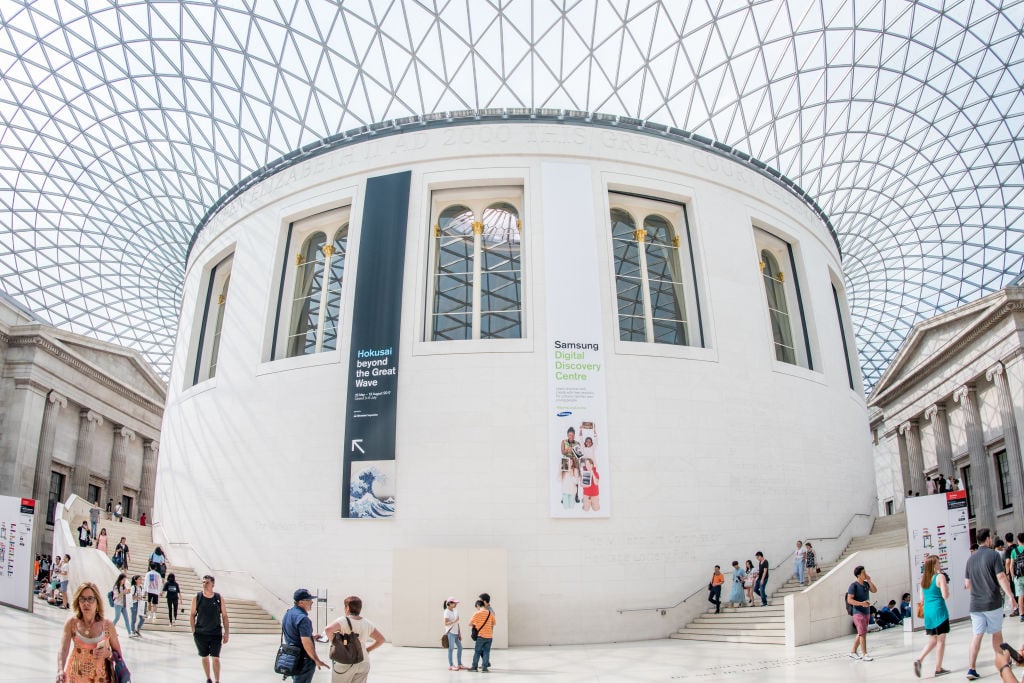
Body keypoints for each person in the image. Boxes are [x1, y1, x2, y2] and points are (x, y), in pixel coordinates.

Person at [965, 527, 1018, 680]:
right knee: (996, 633)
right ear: (988, 539)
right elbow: (1001, 577)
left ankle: (971, 669)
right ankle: (1002, 664)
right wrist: (1011, 597)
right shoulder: (993, 555)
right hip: (992, 602)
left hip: (975, 605)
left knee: (977, 636)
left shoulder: (970, 559)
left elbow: (967, 585)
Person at [56, 581, 122, 683]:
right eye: (82, 599)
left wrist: (107, 654)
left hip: (101, 679)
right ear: (78, 602)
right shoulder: (71, 623)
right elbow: (63, 649)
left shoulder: (108, 626)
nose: (86, 603)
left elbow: (118, 656)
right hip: (75, 678)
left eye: (90, 599)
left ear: (97, 602)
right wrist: (60, 670)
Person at [323, 595, 385, 683]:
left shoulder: (343, 621)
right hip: (363, 661)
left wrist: (334, 642)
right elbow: (381, 639)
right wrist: (367, 650)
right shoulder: (367, 623)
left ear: (347, 608)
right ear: (360, 608)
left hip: (345, 661)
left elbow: (328, 629)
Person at [914, 555, 950, 677]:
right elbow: (945, 595)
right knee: (941, 640)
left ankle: (919, 659)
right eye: (938, 563)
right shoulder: (940, 577)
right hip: (939, 611)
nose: (940, 564)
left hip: (928, 613)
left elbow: (921, 599)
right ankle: (938, 668)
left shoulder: (924, 580)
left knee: (933, 639)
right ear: (934, 565)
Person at [191, 574, 230, 683]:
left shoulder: (218, 598)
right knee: (204, 656)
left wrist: (226, 632)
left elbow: (225, 616)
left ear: (213, 584)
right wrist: (194, 630)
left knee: (215, 657)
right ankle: (208, 678)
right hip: (201, 633)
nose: (204, 584)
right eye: (203, 582)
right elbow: (192, 614)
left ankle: (217, 680)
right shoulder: (197, 597)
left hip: (215, 633)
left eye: (207, 582)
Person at [282, 588, 327, 683]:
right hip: (303, 660)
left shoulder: (288, 613)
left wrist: (312, 637)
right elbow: (306, 643)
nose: (312, 602)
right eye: (309, 600)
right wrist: (316, 659)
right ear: (301, 602)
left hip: (291, 657)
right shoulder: (303, 619)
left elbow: (294, 635)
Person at [846, 564, 878, 661]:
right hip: (858, 612)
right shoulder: (853, 586)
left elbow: (874, 590)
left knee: (861, 633)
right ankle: (865, 654)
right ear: (859, 575)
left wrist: (869, 580)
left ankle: (853, 652)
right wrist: (861, 603)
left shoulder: (866, 584)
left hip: (866, 612)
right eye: (863, 572)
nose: (865, 574)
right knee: (863, 633)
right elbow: (849, 600)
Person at [468, 595, 494, 673]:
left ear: (478, 605)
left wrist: (477, 623)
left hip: (481, 636)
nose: (477, 609)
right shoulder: (490, 613)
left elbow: (470, 623)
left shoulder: (477, 613)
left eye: (477, 607)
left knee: (477, 651)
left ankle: (474, 667)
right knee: (486, 652)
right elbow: (494, 623)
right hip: (489, 636)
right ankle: (484, 668)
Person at [443, 597, 464, 671]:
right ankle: (451, 665)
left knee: (460, 648)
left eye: (456, 603)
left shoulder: (455, 611)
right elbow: (446, 623)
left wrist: (459, 633)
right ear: (449, 603)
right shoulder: (446, 611)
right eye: (454, 603)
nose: (456, 604)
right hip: (450, 633)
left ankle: (459, 664)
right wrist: (455, 621)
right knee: (451, 649)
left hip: (456, 633)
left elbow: (458, 623)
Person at [1013, 533, 1024, 622]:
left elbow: (1011, 565)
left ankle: (1022, 615)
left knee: (1020, 596)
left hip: (1018, 576)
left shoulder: (1014, 551)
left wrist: (1013, 576)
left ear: (1018, 540)